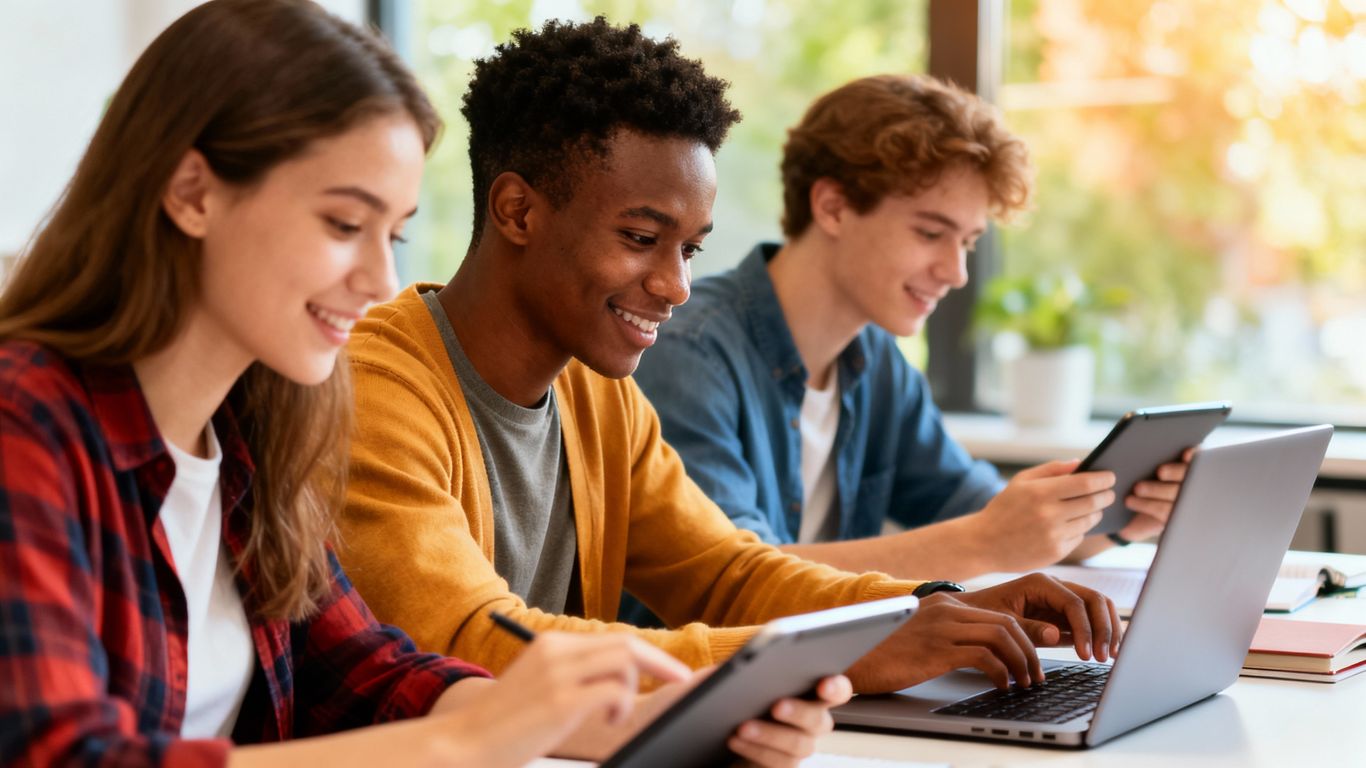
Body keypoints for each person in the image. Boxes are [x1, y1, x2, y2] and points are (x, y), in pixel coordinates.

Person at [0, 3, 840, 766]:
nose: (376, 279)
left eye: (394, 234)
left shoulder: (255, 432)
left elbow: (369, 674)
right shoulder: (26, 424)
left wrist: (689, 715)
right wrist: (471, 736)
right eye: (342, 224)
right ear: (192, 193)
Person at [338, 16, 1120, 708]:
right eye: (642, 239)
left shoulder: (598, 397)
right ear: (519, 211)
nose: (676, 285)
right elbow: (472, 643)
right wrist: (833, 651)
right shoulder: (377, 389)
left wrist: (926, 608)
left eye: (690, 249)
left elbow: (728, 574)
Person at [629, 74, 1191, 587]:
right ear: (832, 207)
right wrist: (986, 540)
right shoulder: (689, 350)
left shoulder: (875, 360)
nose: (956, 272)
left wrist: (1120, 521)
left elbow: (975, 509)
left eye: (968, 242)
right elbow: (732, 579)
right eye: (929, 233)